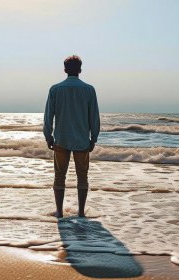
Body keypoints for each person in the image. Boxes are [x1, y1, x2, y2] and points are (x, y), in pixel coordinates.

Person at [43, 55, 100, 218]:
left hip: (61, 138)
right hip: (82, 139)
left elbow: (48, 116)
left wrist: (48, 136)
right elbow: (94, 117)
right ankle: (81, 212)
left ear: (65, 70)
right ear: (80, 70)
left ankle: (59, 212)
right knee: (82, 177)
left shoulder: (55, 89)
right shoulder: (89, 89)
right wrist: (93, 137)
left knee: (59, 176)